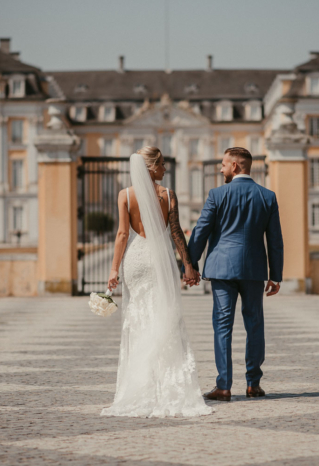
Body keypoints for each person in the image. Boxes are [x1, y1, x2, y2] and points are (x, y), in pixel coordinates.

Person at [102, 146, 212, 418]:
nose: (165, 168)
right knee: (164, 315)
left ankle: (139, 383)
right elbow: (175, 233)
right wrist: (188, 265)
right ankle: (166, 385)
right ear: (151, 167)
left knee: (139, 318)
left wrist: (114, 270)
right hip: (159, 261)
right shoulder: (167, 195)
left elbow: (122, 235)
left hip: (136, 261)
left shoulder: (125, 195)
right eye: (161, 164)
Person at [188, 147, 284, 402]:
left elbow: (201, 231)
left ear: (236, 166)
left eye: (223, 164)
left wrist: (190, 263)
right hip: (253, 269)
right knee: (254, 324)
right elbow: (275, 240)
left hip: (222, 268)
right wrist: (276, 275)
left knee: (222, 326)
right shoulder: (267, 196)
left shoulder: (217, 195)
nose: (220, 169)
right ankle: (253, 383)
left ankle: (224, 386)